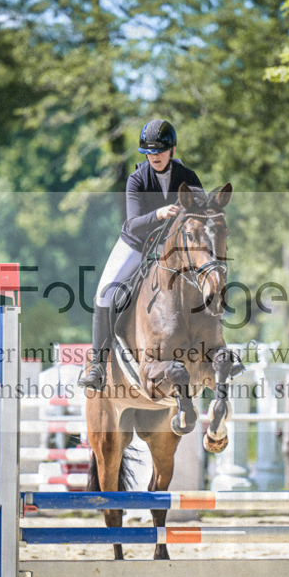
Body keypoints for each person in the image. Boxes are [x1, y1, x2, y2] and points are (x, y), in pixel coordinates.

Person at [78, 118, 203, 390]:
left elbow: (202, 213)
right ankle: (98, 367)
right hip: (136, 244)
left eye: (159, 151)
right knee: (104, 293)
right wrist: (159, 214)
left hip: (172, 247)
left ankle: (214, 347)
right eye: (149, 152)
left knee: (205, 279)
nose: (154, 156)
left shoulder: (188, 177)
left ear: (171, 150)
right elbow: (132, 223)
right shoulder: (136, 178)